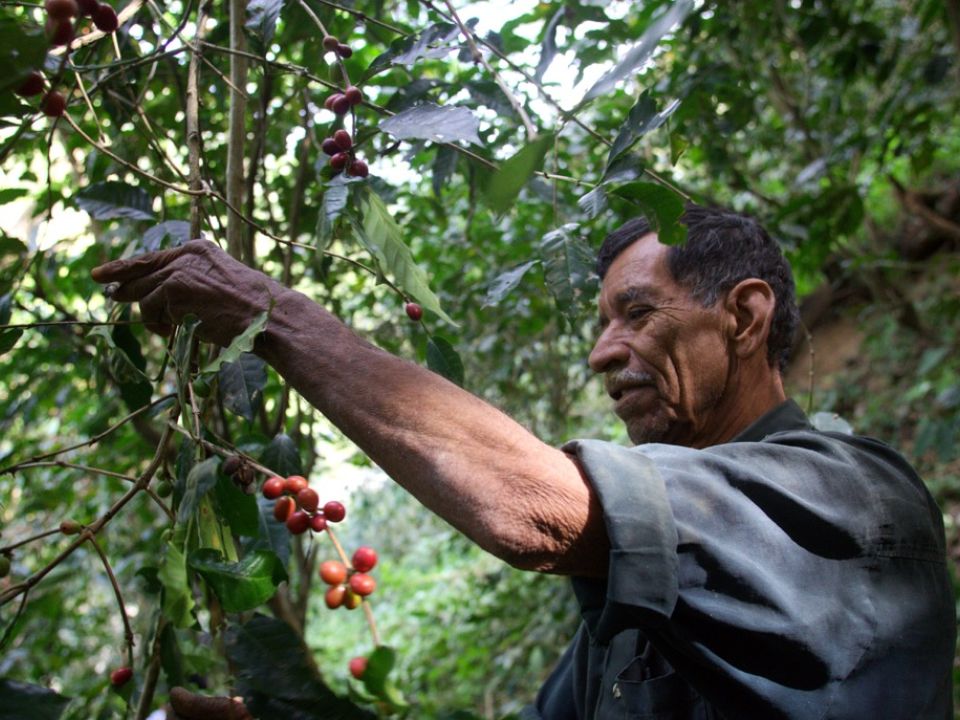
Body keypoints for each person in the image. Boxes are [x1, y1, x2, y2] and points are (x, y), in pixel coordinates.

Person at [92, 204, 955, 719]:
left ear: (744, 315)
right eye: (601, 323)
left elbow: (536, 509)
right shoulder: (631, 616)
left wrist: (270, 313)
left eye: (637, 313)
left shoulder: (855, 496)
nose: (601, 354)